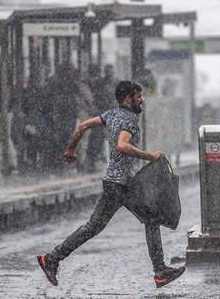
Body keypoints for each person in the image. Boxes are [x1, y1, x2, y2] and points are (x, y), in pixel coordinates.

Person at [37, 80, 186, 288]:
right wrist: (150, 156)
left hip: (123, 184)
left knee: (151, 219)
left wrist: (70, 150)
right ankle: (52, 259)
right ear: (128, 99)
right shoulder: (130, 120)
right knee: (93, 227)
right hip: (118, 185)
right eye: (138, 96)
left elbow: (82, 126)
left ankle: (160, 271)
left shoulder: (111, 115)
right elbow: (122, 145)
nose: (141, 99)